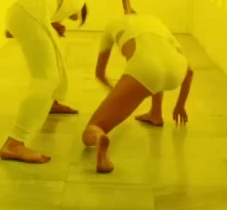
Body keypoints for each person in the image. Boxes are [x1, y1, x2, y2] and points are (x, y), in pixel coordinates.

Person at [0, 0, 134, 164]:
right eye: (73, 17)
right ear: (81, 8)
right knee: (46, 78)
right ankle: (14, 143)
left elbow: (11, 31)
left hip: (19, 13)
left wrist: (50, 26)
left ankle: (52, 102)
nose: (68, 19)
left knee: (58, 57)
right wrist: (127, 8)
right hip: (31, 15)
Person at [83, 12, 195, 173]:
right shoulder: (156, 21)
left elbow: (100, 73)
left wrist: (118, 93)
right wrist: (180, 106)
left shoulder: (112, 25)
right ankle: (155, 114)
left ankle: (99, 137)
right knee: (156, 72)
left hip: (143, 69)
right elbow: (189, 71)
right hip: (176, 70)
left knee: (92, 128)